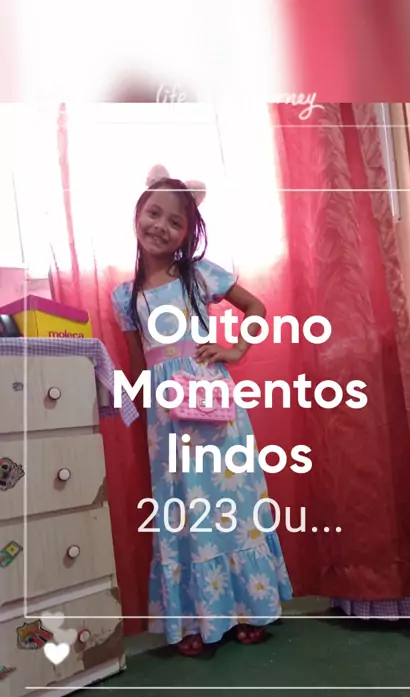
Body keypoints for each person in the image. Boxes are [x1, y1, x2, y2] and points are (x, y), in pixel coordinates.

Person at [111, 165, 292, 656]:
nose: (161, 227)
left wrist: (235, 350)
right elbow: (136, 363)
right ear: (138, 213)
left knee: (231, 504)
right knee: (184, 511)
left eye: (175, 222)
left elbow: (256, 309)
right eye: (154, 214)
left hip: (213, 404)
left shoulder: (200, 273)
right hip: (165, 419)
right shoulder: (125, 296)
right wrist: (134, 407)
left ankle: (248, 609)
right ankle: (195, 618)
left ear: (188, 232)